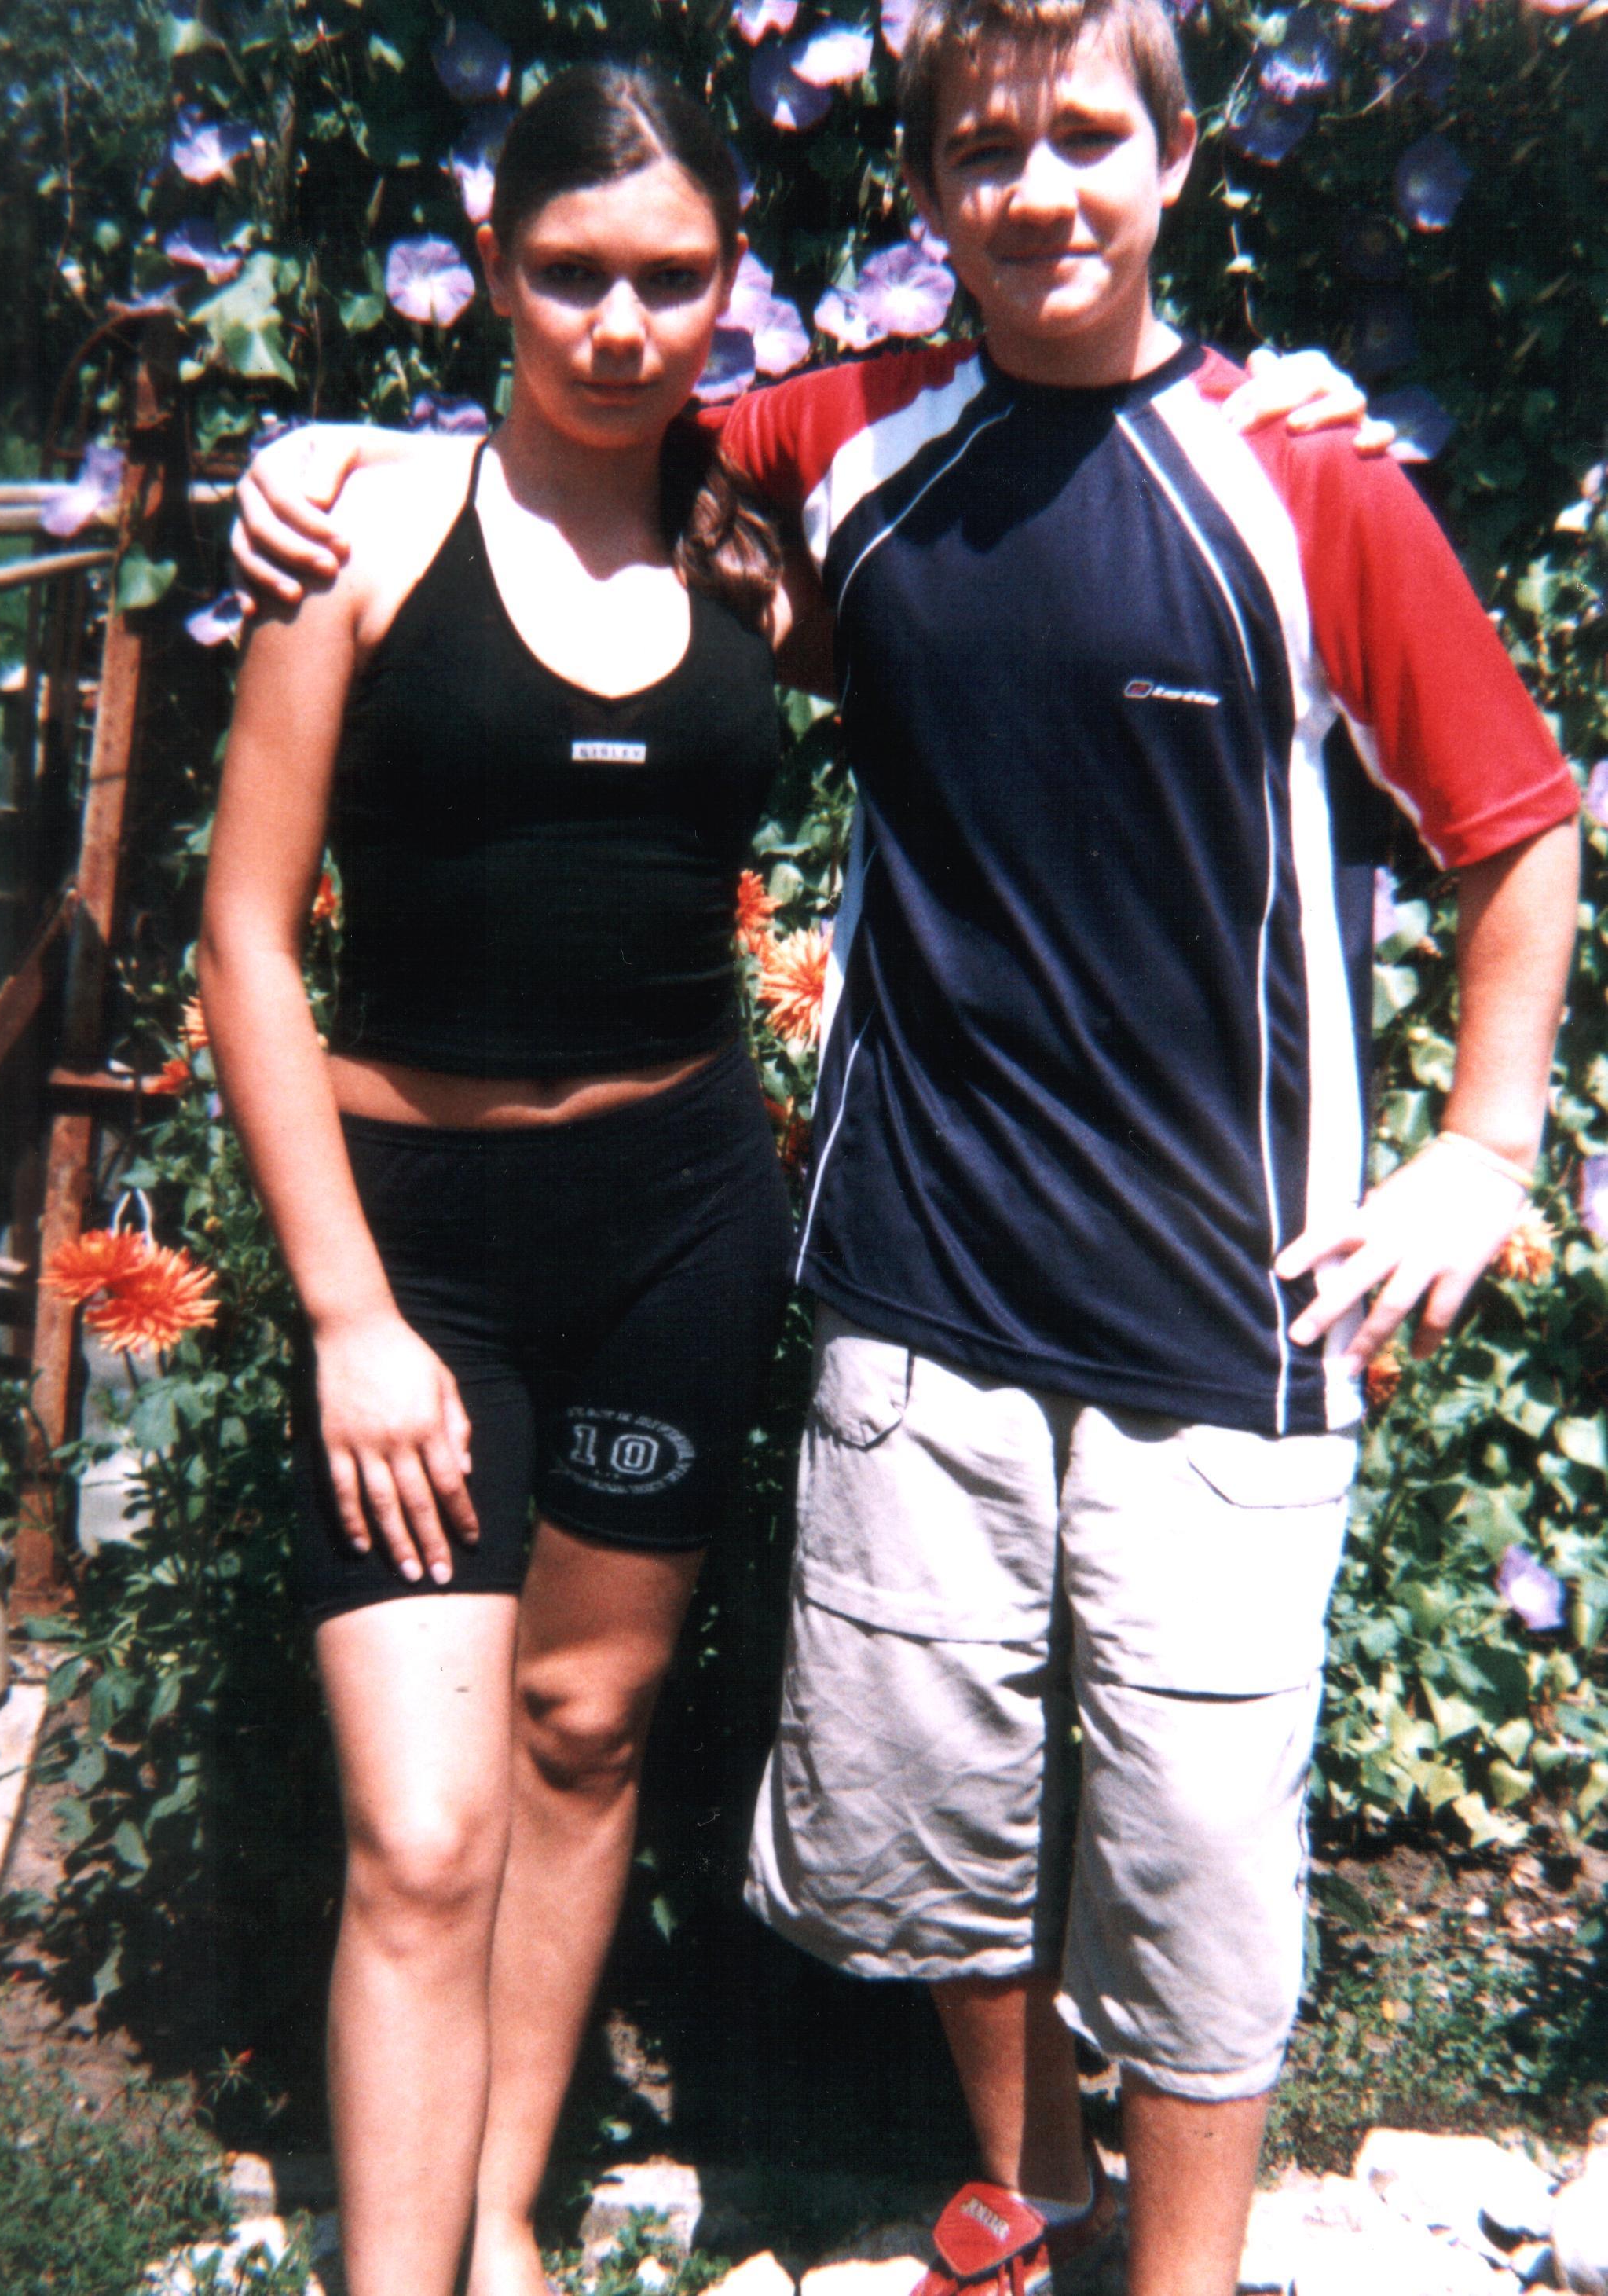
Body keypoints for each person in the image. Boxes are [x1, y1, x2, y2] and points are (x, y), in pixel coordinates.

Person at [221, 9, 1558, 2293]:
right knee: (922, 1805)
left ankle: (1149, 2272)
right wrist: (325, 444)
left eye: (1089, 138)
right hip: (904, 1276)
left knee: (1174, 1848)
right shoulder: (842, 442)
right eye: (987, 150)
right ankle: (1025, 2194)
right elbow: (572, 434)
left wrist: (1485, 1141)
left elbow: (1514, 825)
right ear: (923, 193)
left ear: (1178, 155)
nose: (1040, 190)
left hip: (1195, 1297)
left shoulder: (1291, 479)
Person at [198, 64, 800, 2296]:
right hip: (418, 1246)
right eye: (569, 274)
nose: (621, 324)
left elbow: (1019, 401)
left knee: (584, 1728)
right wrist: (349, 1313)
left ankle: (500, 2220)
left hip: (677, 1220)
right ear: (493, 265)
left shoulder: (759, 538)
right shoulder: (354, 536)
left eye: (670, 277)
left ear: (730, 284)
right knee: (426, 1825)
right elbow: (245, 938)